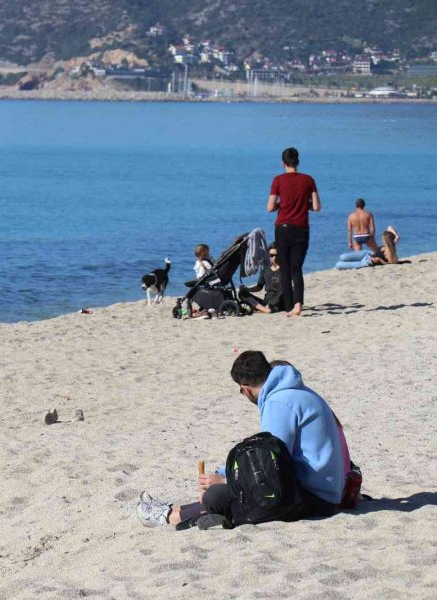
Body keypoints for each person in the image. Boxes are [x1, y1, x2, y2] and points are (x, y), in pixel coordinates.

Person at [137, 351, 344, 527]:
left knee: (215, 497)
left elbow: (270, 467)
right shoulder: (298, 391)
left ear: (245, 387)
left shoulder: (280, 403)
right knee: (222, 490)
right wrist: (223, 474)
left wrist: (226, 479)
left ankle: (168, 517)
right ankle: (173, 509)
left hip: (315, 498)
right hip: (327, 490)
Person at [267, 147, 321, 318]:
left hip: (282, 228)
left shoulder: (278, 180)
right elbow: (317, 207)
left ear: (283, 163)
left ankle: (289, 306)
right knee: (296, 268)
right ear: (297, 162)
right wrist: (304, 206)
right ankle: (298, 305)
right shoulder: (308, 180)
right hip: (301, 228)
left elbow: (269, 207)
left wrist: (281, 206)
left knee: (285, 269)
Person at [239, 243, 284, 313]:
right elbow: (259, 287)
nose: (274, 258)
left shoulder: (284, 269)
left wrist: (271, 304)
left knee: (284, 291)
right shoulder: (265, 269)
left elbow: (283, 291)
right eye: (271, 255)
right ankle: (264, 309)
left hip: (280, 301)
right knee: (242, 293)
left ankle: (265, 309)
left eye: (277, 255)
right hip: (266, 302)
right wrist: (247, 289)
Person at [335, 227, 401, 270]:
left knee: (338, 265)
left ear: (387, 240)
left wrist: (379, 260)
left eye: (383, 239)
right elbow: (389, 227)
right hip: (368, 253)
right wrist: (396, 236)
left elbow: (392, 263)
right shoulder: (392, 243)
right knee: (342, 257)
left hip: (367, 261)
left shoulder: (389, 251)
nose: (382, 240)